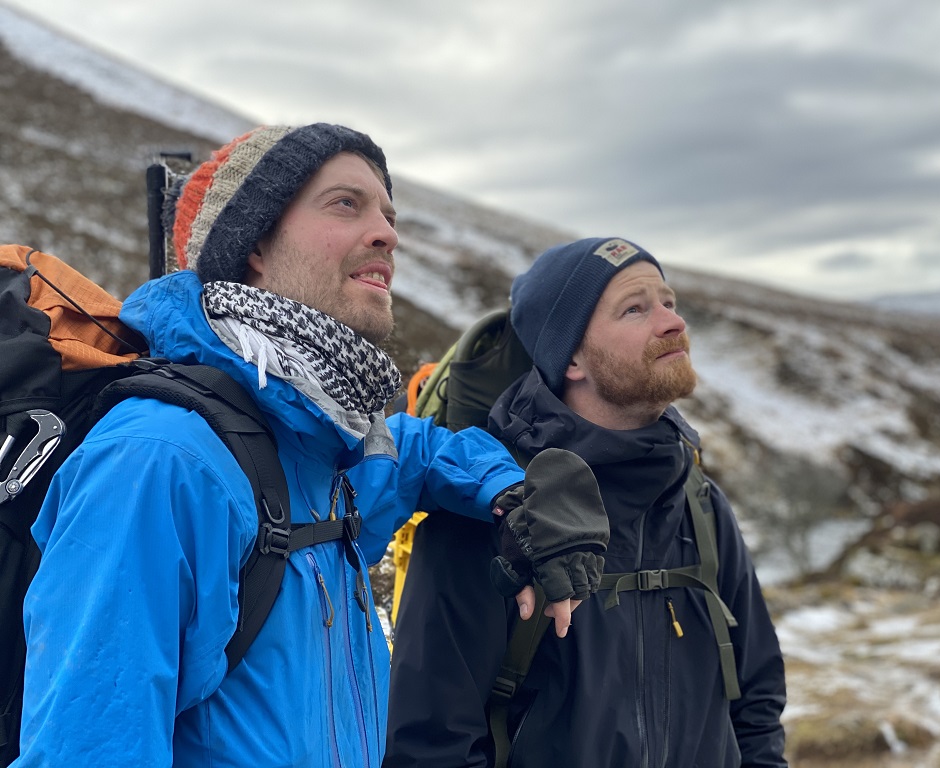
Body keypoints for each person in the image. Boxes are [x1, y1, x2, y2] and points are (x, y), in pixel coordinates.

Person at [13, 124, 607, 768]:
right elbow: (86, 749)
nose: (387, 232)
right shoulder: (162, 460)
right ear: (255, 244)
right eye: (345, 204)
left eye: (387, 212)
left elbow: (417, 452)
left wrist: (511, 492)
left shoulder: (324, 439)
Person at [385, 237, 789, 767]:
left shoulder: (700, 505)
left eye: (668, 302)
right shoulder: (496, 515)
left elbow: (756, 704)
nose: (672, 322)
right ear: (571, 356)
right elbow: (433, 746)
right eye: (635, 309)